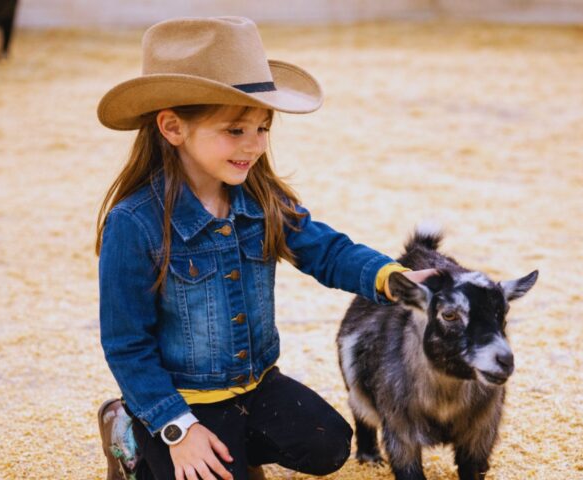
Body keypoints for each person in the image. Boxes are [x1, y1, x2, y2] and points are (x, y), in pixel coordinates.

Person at [95, 16, 435, 480]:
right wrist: (176, 427)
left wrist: (389, 277)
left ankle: (233, 447)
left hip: (254, 386)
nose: (254, 146)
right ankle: (132, 436)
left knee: (329, 444)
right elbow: (126, 343)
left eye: (263, 127)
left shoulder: (261, 198)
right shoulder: (133, 224)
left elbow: (327, 251)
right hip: (181, 400)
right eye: (235, 130)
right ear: (173, 127)